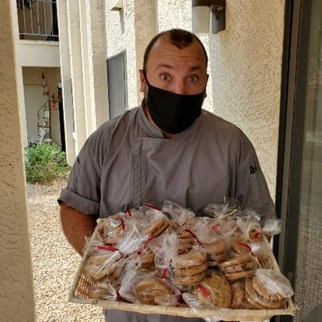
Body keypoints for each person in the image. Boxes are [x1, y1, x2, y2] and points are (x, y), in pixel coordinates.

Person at [58, 28, 275, 322]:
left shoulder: (232, 143)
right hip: (129, 308)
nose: (179, 90)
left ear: (206, 83)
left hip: (207, 311)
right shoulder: (107, 140)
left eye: (193, 78)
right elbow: (75, 208)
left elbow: (258, 225)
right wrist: (105, 263)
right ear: (142, 79)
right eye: (165, 76)